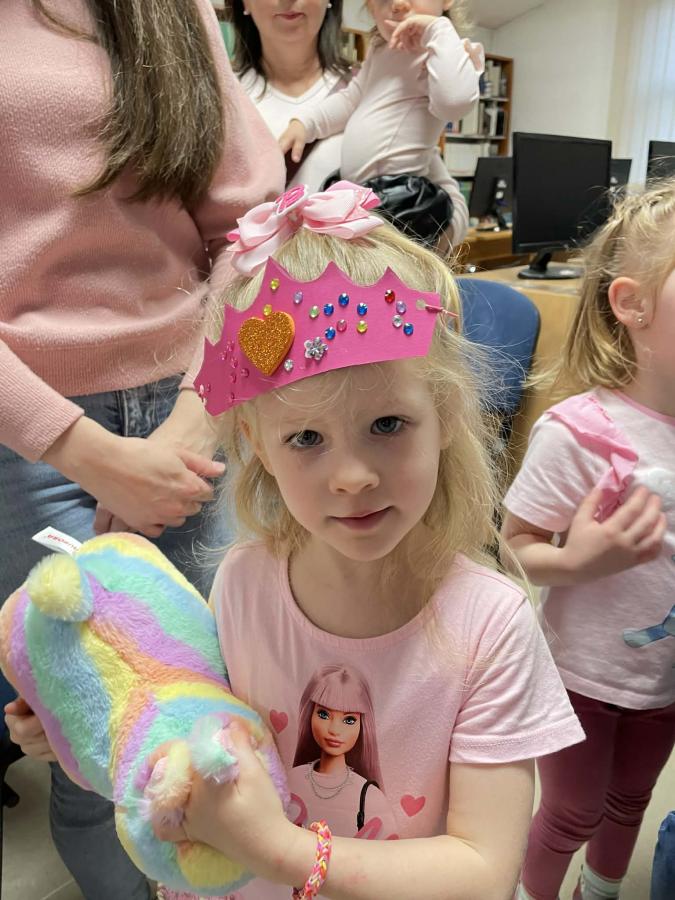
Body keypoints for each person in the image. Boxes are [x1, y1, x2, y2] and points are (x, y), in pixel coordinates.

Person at [92, 178, 586, 900]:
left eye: (387, 425)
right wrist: (94, 726)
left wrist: (280, 849)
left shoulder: (491, 624)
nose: (352, 477)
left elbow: (482, 872)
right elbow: (205, 731)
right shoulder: (243, 583)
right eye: (306, 438)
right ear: (257, 442)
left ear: (446, 413)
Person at [1, 1, 284, 897]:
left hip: (204, 399)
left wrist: (197, 416)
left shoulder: (171, 9)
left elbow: (252, 229)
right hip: (25, 432)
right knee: (94, 753)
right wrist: (84, 451)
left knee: (244, 701)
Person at [501, 178, 675, 900]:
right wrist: (577, 559)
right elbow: (514, 546)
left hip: (662, 680)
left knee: (631, 801)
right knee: (573, 808)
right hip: (580, 675)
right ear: (631, 304)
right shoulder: (579, 432)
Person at [226, 0, 473, 246]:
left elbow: (453, 207)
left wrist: (414, 246)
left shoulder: (437, 60)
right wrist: (306, 123)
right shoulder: (223, 99)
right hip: (283, 254)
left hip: (388, 207)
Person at [287, 664, 397, 838]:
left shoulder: (370, 797)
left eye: (349, 720)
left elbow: (387, 851)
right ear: (310, 715)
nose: (334, 730)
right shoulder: (292, 779)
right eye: (324, 714)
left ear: (363, 725)